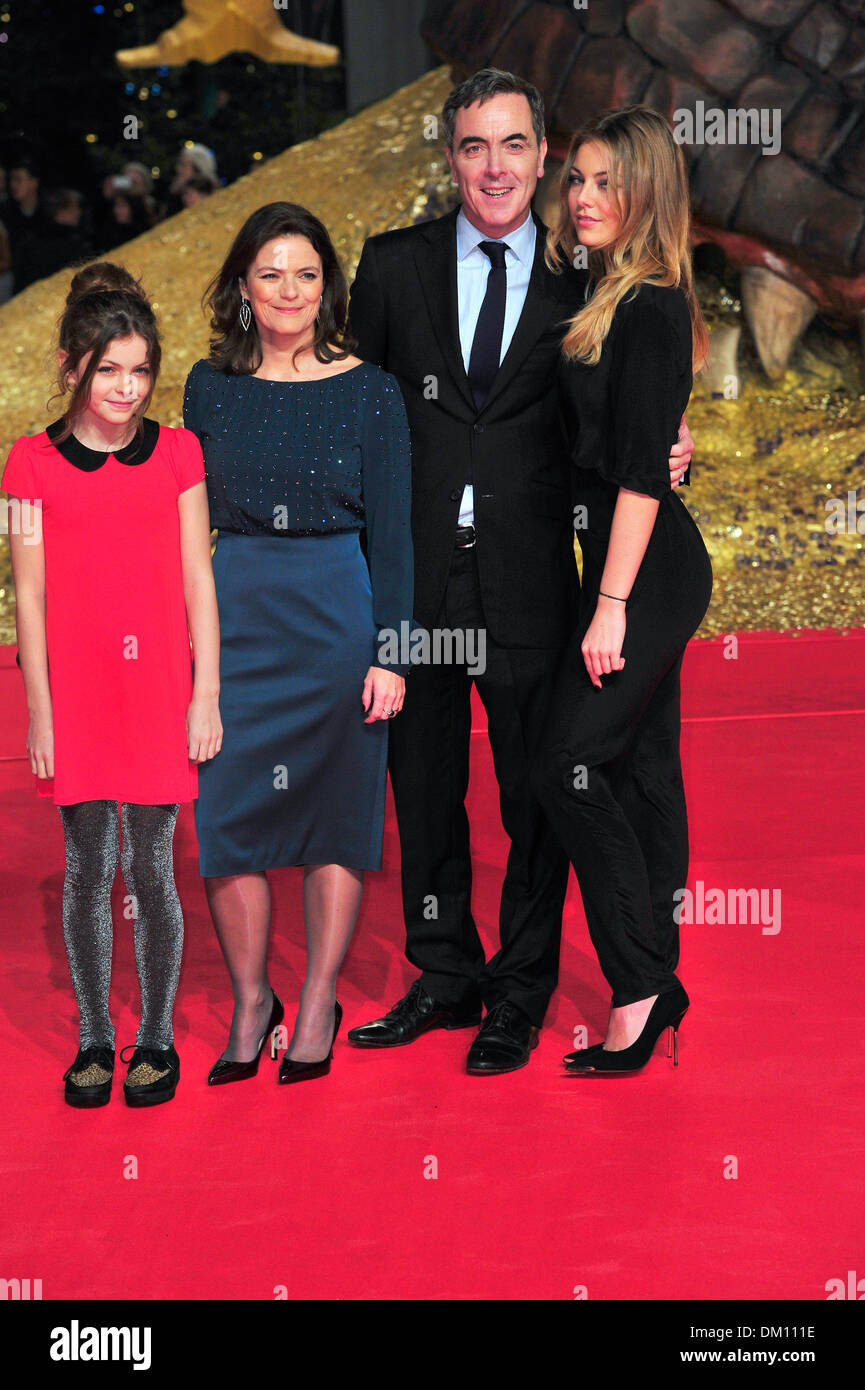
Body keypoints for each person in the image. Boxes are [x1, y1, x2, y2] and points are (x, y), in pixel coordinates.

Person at [346, 67, 693, 1074]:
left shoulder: (579, 274)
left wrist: (673, 451)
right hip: (418, 578)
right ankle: (444, 972)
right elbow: (361, 417)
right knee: (423, 782)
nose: (493, 167)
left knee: (530, 794)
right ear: (449, 156)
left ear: (539, 156)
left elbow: (620, 403)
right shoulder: (391, 267)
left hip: (534, 577)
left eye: (512, 146)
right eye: (472, 146)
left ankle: (519, 988)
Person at [182, 201, 412, 1088]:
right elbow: (184, 522)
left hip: (335, 622)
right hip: (237, 614)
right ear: (243, 286)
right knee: (229, 819)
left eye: (306, 273)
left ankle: (316, 999)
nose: (289, 290)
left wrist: (391, 650)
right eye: (270, 272)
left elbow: (393, 535)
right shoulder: (210, 387)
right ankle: (251, 1000)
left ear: (328, 287)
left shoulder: (371, 390)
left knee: (336, 819)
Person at [3, 261, 222, 1107]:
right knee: (90, 865)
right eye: (107, 370)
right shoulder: (25, 466)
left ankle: (155, 1040)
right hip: (80, 696)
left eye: (139, 370)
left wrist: (204, 694)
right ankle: (97, 1036)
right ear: (71, 368)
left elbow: (198, 580)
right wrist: (40, 715)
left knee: (156, 869)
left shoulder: (180, 453)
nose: (125, 388)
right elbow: (29, 595)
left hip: (160, 686)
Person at [531, 106, 714, 1075]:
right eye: (578, 180)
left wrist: (607, 606)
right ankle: (659, 973)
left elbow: (642, 475)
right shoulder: (602, 290)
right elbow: (637, 445)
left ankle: (639, 984)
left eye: (606, 181)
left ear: (645, 191)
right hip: (621, 561)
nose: (585, 197)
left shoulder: (646, 303)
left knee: (566, 763)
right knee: (640, 769)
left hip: (641, 573)